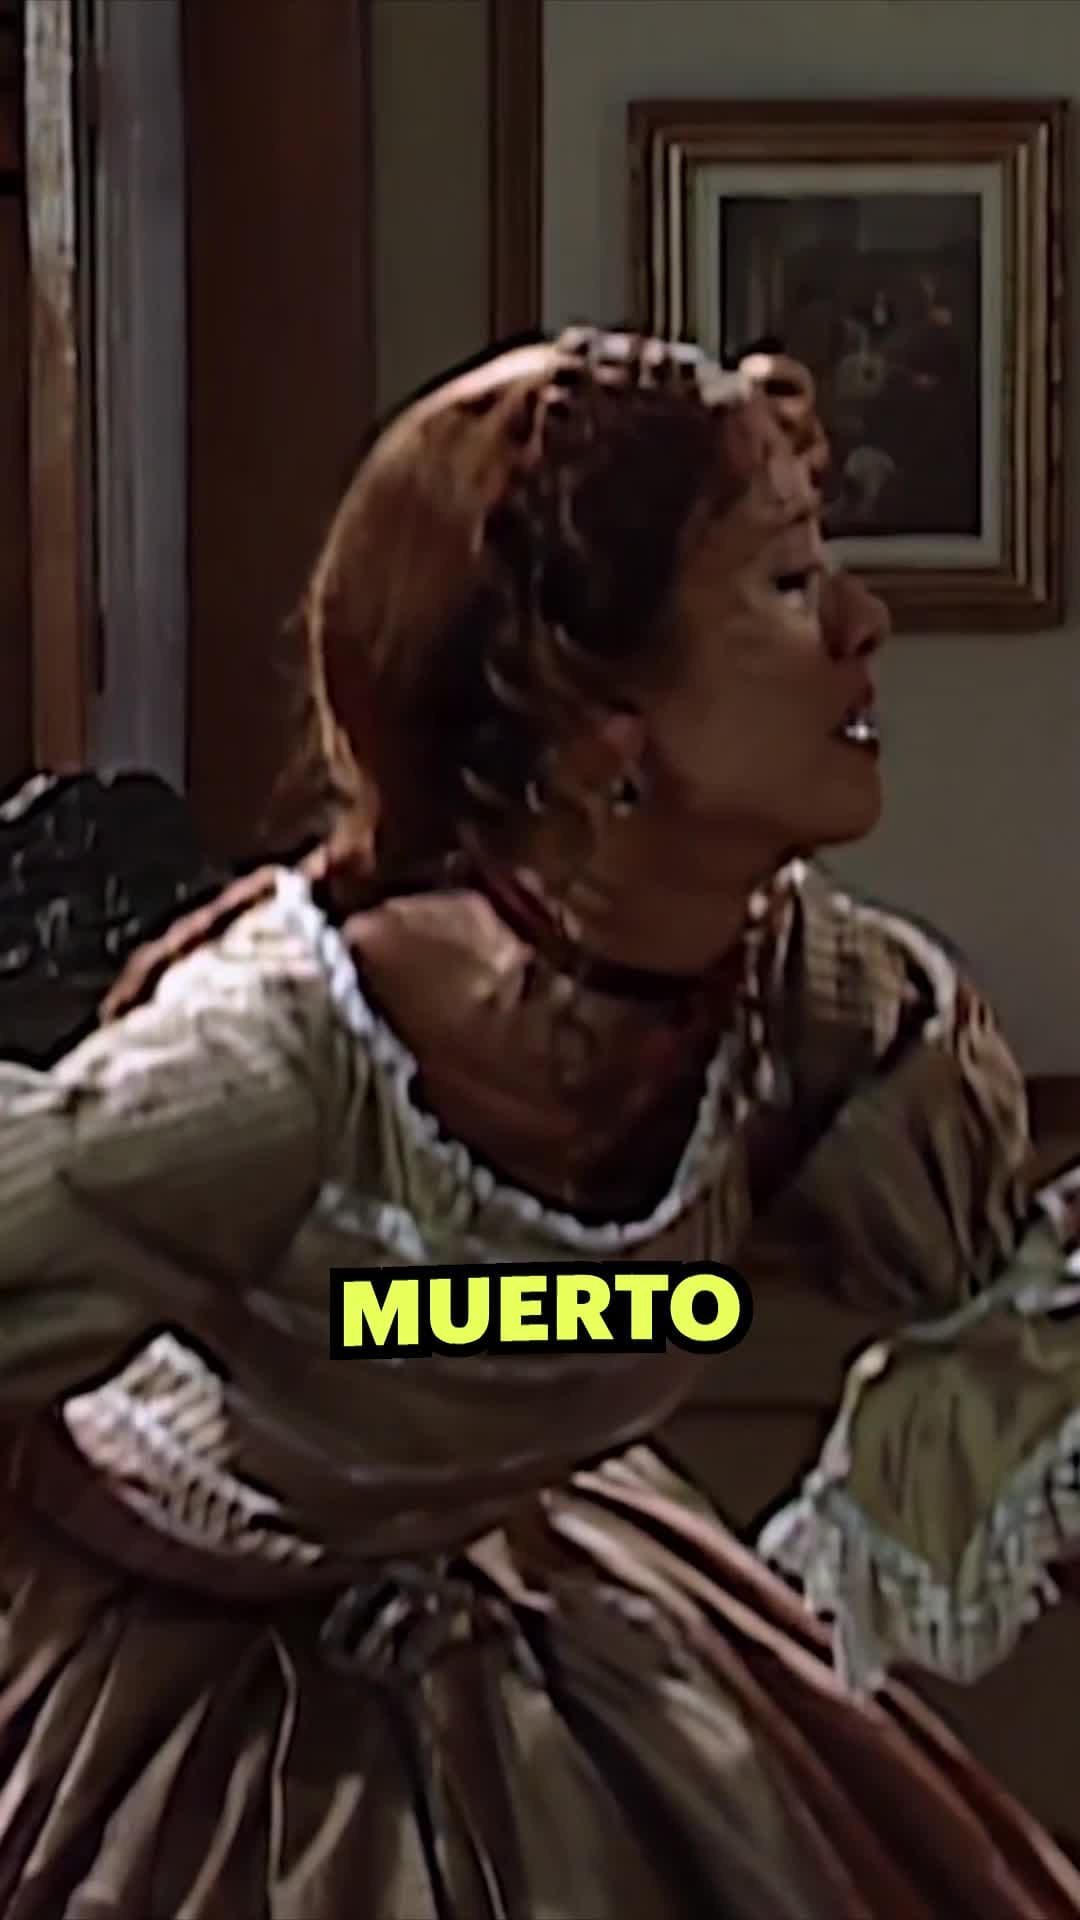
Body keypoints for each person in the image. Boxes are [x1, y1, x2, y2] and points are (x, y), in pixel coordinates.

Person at [2, 326, 1079, 1919]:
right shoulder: (280, 1066)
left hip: (536, 1595)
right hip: (196, 1692)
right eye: (789, 584)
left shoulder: (813, 1004)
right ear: (600, 731)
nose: (866, 624)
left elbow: (993, 1301)